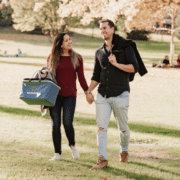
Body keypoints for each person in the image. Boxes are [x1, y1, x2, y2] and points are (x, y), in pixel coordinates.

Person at [86, 19, 147, 169]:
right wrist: (88, 91)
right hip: (103, 96)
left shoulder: (125, 48)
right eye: (100, 29)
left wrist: (116, 64)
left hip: (121, 94)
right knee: (101, 128)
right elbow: (96, 76)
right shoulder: (99, 52)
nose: (102, 31)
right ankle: (102, 159)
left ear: (112, 29)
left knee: (123, 129)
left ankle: (124, 150)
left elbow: (134, 68)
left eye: (105, 28)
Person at [44, 33, 88, 161]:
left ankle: (72, 145)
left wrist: (87, 92)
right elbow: (49, 76)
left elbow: (81, 78)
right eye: (67, 40)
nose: (70, 42)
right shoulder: (52, 57)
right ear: (60, 44)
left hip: (70, 96)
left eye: (70, 39)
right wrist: (43, 74)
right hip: (54, 96)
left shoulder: (77, 58)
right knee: (55, 124)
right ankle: (57, 154)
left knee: (68, 123)